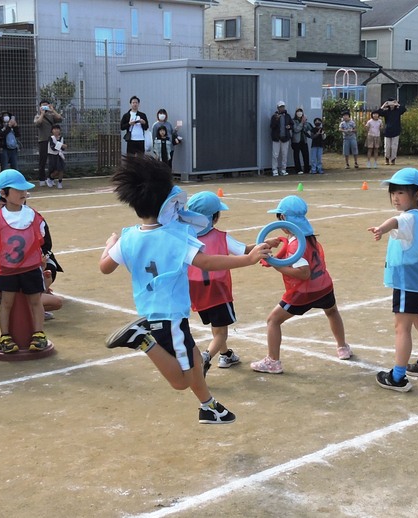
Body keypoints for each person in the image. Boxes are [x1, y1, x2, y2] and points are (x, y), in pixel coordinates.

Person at [99, 155, 272, 424]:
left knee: (192, 356)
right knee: (180, 381)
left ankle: (209, 406)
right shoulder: (175, 236)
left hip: (158, 311)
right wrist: (249, 259)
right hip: (168, 317)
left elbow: (105, 267)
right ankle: (141, 339)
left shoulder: (129, 236)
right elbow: (206, 261)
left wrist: (110, 244)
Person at [251, 195, 352, 373]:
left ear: (283, 218)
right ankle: (342, 347)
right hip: (323, 285)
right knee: (332, 311)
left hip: (304, 292)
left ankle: (273, 361)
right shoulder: (308, 236)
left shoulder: (295, 244)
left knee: (273, 320)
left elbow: (303, 273)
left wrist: (276, 264)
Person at [185, 191, 280, 375]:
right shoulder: (221, 237)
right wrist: (263, 245)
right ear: (214, 217)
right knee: (221, 332)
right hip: (218, 287)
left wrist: (265, 243)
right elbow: (244, 251)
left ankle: (226, 355)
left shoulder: (185, 237)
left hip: (194, 288)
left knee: (217, 324)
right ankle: (205, 357)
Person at [367, 168, 418, 392]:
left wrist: (381, 229)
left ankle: (398, 377)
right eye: (393, 193)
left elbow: (395, 221)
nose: (396, 198)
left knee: (402, 327)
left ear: (417, 195)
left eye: (401, 193)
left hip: (409, 282)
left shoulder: (408, 217)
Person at [0, 169, 49, 353]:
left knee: (36, 300)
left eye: (24, 190)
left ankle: (39, 333)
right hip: (8, 269)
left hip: (31, 267)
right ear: (3, 193)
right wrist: (1, 252)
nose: (23, 193)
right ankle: (5, 336)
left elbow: (41, 234)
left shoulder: (32, 214)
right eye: (18, 190)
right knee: (6, 302)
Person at [34, 100, 63, 187]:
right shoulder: (38, 116)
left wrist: (53, 110)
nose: (45, 107)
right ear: (40, 107)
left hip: (52, 140)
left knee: (53, 160)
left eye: (46, 105)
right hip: (43, 140)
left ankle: (51, 178)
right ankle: (42, 179)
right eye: (43, 106)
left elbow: (60, 118)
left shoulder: (51, 115)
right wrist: (42, 113)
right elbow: (38, 123)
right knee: (42, 160)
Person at [377, 98, 407, 165]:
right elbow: (378, 113)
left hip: (396, 130)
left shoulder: (398, 111)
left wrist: (397, 104)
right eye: (390, 104)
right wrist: (383, 105)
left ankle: (393, 159)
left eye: (392, 103)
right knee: (387, 146)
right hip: (388, 131)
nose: (391, 105)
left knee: (394, 146)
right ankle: (387, 158)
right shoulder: (386, 111)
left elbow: (404, 109)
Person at [270, 101, 293, 176]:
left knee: (284, 154)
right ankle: (274, 170)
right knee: (275, 155)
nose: (282, 108)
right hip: (276, 138)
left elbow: (291, 124)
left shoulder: (288, 116)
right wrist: (276, 119)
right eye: (280, 107)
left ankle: (283, 169)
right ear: (278, 108)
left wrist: (289, 127)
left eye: (283, 106)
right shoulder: (274, 116)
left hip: (285, 138)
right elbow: (272, 126)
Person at [290, 108, 312, 175]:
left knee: (306, 155)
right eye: (298, 112)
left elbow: (309, 130)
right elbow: (296, 129)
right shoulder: (293, 121)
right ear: (296, 113)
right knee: (296, 156)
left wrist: (305, 123)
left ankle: (307, 169)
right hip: (296, 141)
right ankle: (298, 169)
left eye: (300, 112)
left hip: (304, 140)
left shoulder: (305, 121)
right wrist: (302, 123)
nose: (299, 113)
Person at [47, 124, 66, 189]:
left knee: (61, 169)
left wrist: (64, 146)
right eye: (54, 129)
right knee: (54, 170)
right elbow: (53, 148)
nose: (56, 130)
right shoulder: (51, 138)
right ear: (52, 131)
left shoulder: (61, 138)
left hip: (60, 155)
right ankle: (50, 178)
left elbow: (63, 148)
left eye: (58, 129)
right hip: (52, 156)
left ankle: (60, 182)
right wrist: (61, 145)